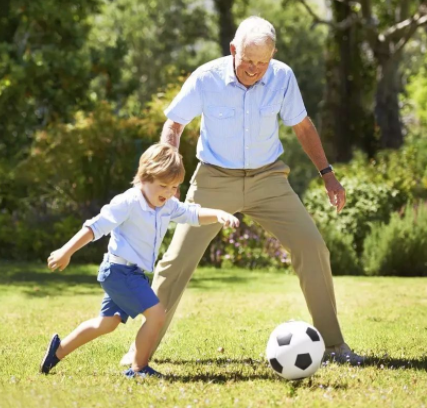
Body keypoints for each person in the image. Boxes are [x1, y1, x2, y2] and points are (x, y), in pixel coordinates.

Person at [121, 16, 364, 366]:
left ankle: (333, 345)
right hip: (214, 180)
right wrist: (168, 174)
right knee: (175, 263)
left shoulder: (282, 77)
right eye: (247, 61)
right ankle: (140, 351)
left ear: (272, 55)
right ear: (233, 50)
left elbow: (302, 126)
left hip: (269, 179)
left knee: (312, 247)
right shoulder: (207, 78)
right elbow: (174, 124)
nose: (254, 69)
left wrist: (328, 174)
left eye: (261, 62)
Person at [39, 143, 239, 378]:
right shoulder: (129, 202)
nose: (168, 192)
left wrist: (218, 214)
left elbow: (191, 214)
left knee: (108, 323)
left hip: (130, 274)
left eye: (174, 186)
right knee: (157, 315)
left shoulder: (167, 205)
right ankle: (138, 368)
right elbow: (95, 227)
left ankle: (57, 351)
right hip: (118, 271)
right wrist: (66, 251)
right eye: (163, 185)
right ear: (144, 178)